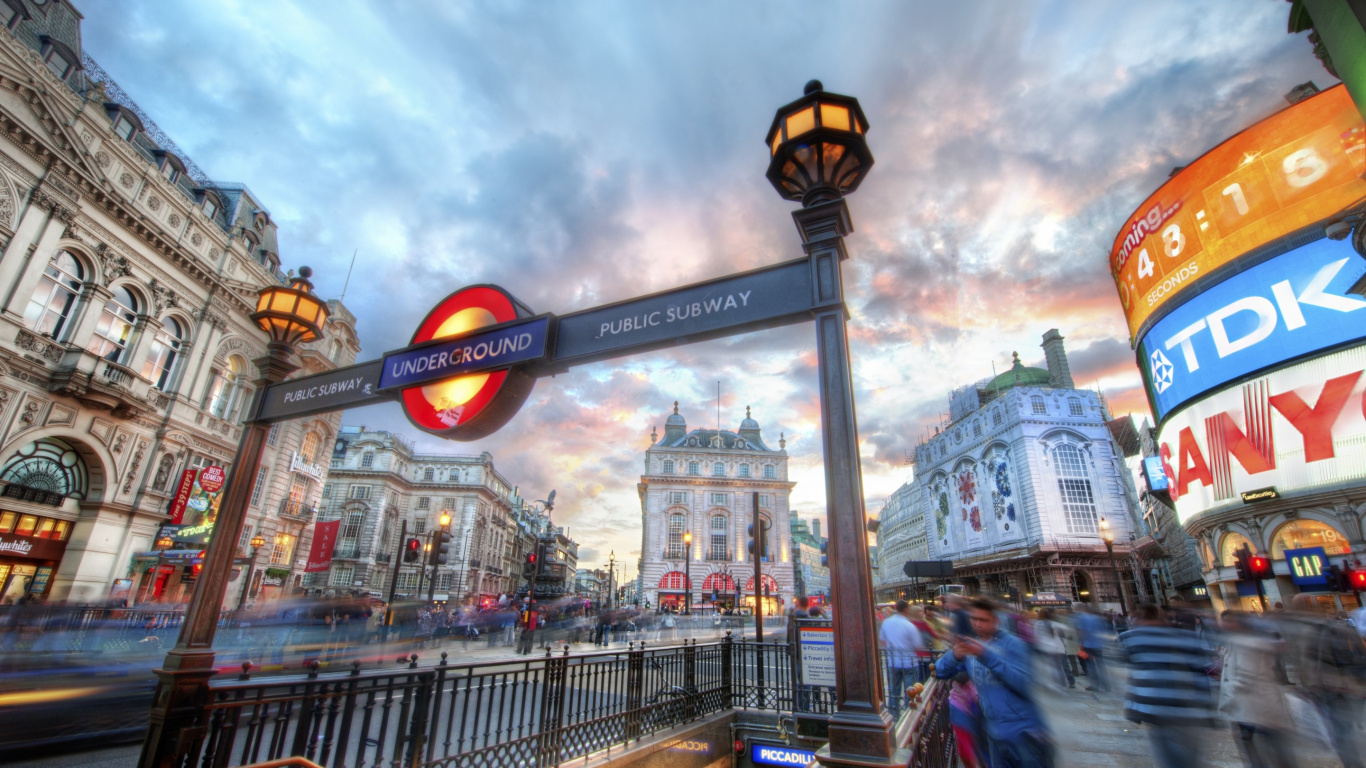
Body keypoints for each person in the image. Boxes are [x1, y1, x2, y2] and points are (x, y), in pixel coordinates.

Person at [935, 598, 1053, 768]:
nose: (977, 624)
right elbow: (940, 671)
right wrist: (954, 655)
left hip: (1025, 734)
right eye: (974, 619)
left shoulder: (1014, 645)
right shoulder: (973, 647)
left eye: (983, 620)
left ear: (995, 621)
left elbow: (1024, 684)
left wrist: (987, 656)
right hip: (995, 733)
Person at [1118, 603, 1214, 768]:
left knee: (1168, 756)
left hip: (1153, 705)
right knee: (1188, 755)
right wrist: (1208, 707)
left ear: (1138, 618)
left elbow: (1126, 663)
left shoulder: (1130, 637)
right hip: (1187, 705)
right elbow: (1200, 671)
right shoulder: (1185, 637)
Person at [1284, 593, 1366, 768]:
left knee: (1341, 733)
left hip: (1328, 687)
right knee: (1345, 730)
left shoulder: (1313, 628)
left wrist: (1307, 685)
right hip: (1340, 686)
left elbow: (1311, 661)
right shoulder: (1334, 626)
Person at [1218, 610, 1295, 768]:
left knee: (1259, 745)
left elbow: (1246, 677)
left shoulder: (1247, 643)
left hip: (1252, 704)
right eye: (1224, 621)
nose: (1224, 625)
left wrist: (1228, 699)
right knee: (1265, 745)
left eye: (1228, 621)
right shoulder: (1237, 641)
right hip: (1253, 705)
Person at [879, 600, 925, 714]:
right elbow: (918, 645)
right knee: (910, 691)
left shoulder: (886, 622)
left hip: (893, 662)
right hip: (909, 662)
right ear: (905, 609)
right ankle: (909, 715)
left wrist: (892, 647)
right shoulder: (910, 625)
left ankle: (894, 716)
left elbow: (882, 639)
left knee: (894, 691)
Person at [1033, 609, 1074, 690]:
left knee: (1048, 667)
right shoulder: (1054, 624)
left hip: (1045, 647)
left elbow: (1036, 635)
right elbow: (1068, 629)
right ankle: (1062, 684)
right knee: (1059, 667)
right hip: (1056, 647)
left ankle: (1052, 683)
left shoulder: (1038, 624)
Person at [1075, 605, 1111, 692]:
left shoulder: (1082, 618)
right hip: (1098, 644)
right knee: (1101, 664)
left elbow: (1081, 631)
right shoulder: (1098, 618)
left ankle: (1095, 685)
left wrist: (1080, 642)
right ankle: (1106, 684)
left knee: (1091, 665)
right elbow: (1103, 630)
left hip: (1088, 644)